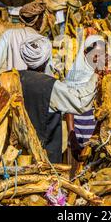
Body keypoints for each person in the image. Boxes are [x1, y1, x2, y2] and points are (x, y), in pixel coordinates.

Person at [18, 34, 98, 163]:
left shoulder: (13, 77)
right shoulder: (49, 85)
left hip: (18, 157)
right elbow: (80, 102)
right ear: (46, 59)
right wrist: (96, 76)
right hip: (45, 159)